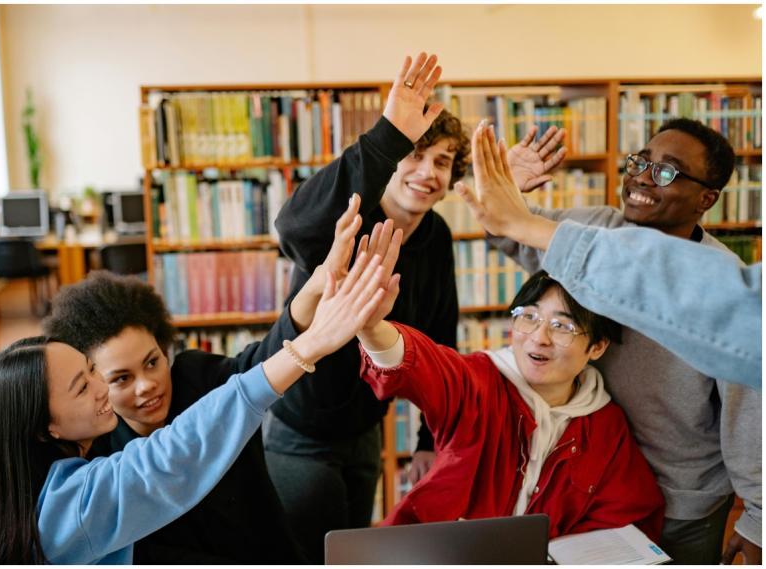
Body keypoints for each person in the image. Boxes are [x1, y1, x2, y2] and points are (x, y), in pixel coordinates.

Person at [265, 52, 564, 562]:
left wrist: (429, 440)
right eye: (415, 155)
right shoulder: (348, 214)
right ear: (392, 158)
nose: (427, 172)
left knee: (350, 551)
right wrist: (387, 135)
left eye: (443, 161)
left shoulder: (437, 236)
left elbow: (439, 340)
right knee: (306, 554)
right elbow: (291, 229)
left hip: (364, 431)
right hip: (300, 429)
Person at [0, 244, 392, 564]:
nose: (106, 389)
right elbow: (173, 455)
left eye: (90, 370)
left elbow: (251, 366)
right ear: (45, 427)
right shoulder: (85, 493)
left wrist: (304, 309)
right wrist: (311, 344)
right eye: (91, 385)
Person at [457, 120, 762, 564]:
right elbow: (516, 234)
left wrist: (758, 519)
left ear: (706, 199)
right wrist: (511, 194)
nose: (641, 176)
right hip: (588, 481)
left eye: (666, 172)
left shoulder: (714, 282)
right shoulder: (596, 226)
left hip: (679, 500)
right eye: (641, 161)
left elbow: (748, 416)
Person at [39, 195, 384, 564]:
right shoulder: (97, 453)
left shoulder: (194, 376)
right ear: (93, 382)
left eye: (153, 362)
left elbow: (263, 361)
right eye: (121, 379)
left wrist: (315, 288)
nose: (147, 385)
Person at [355, 266, 665, 540]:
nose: (538, 337)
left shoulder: (604, 424)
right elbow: (423, 364)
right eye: (528, 317)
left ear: (597, 347)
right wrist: (373, 329)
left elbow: (626, 517)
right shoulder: (478, 380)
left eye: (561, 326)